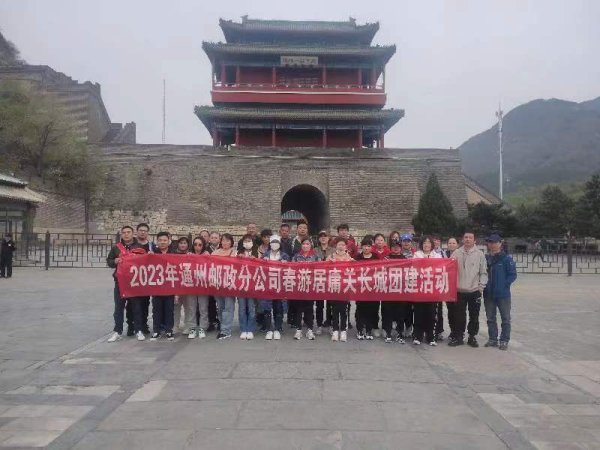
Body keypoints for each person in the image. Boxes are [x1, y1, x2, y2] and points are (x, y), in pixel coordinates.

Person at [106, 226, 147, 342]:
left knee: (136, 307)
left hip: (134, 282)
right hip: (120, 282)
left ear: (133, 233)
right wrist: (114, 261)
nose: (126, 234)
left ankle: (138, 330)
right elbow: (109, 261)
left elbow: (145, 262)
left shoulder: (140, 247)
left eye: (128, 232)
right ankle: (117, 331)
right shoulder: (116, 248)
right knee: (119, 308)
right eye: (123, 232)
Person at [448, 231, 488, 348]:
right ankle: (459, 337)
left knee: (474, 316)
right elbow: (449, 270)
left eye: (470, 237)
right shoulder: (456, 253)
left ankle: (472, 337)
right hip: (459, 291)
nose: (468, 239)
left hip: (474, 291)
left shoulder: (480, 254)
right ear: (462, 239)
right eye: (466, 237)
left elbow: (483, 272)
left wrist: (481, 287)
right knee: (459, 316)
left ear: (474, 240)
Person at [483, 234, 517, 351]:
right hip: (488, 294)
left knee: (505, 318)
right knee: (490, 318)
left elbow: (512, 275)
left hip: (503, 295)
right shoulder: (486, 258)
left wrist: (504, 285)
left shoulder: (506, 259)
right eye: (490, 242)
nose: (492, 244)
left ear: (500, 243)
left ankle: (504, 340)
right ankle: (493, 339)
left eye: (494, 242)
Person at [413, 236, 442, 346]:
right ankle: (418, 336)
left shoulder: (437, 256)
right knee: (419, 313)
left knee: (431, 314)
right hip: (420, 288)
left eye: (429, 242)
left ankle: (431, 337)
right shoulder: (417, 254)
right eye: (424, 242)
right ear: (421, 244)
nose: (426, 244)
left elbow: (440, 269)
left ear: (432, 245)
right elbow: (415, 268)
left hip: (433, 289)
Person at [262, 235, 290, 340]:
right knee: (267, 307)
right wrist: (263, 261)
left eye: (276, 242)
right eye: (273, 242)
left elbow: (290, 270)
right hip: (267, 285)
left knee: (278, 307)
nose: (274, 244)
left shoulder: (285, 256)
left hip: (279, 285)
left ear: (280, 244)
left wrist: (286, 264)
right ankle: (269, 329)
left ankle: (278, 328)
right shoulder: (265, 255)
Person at [211, 233, 238, 340]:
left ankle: (226, 330)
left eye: (228, 240)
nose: (225, 242)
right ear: (220, 241)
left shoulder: (235, 253)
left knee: (228, 307)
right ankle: (223, 326)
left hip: (229, 284)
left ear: (231, 242)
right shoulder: (215, 253)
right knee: (220, 307)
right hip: (217, 284)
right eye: (223, 240)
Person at [150, 232, 176, 341]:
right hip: (157, 286)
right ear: (157, 241)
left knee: (169, 309)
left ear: (169, 241)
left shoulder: (174, 253)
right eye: (160, 240)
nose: (162, 242)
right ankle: (156, 330)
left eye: (165, 240)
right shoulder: (152, 253)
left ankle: (169, 330)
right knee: (156, 310)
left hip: (170, 286)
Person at [327, 237, 354, 342]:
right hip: (334, 285)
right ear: (336, 246)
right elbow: (324, 267)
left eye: (343, 244)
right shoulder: (331, 256)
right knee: (334, 309)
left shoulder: (349, 257)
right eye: (339, 244)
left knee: (343, 310)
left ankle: (343, 330)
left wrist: (353, 262)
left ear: (346, 246)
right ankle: (335, 330)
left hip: (345, 286)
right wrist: (329, 262)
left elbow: (356, 268)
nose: (341, 246)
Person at [291, 237, 318, 340]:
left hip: (310, 286)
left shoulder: (315, 256)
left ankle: (310, 329)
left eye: (307, 244)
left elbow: (320, 269)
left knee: (309, 309)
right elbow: (291, 269)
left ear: (311, 245)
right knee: (299, 308)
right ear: (301, 245)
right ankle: (298, 329)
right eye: (304, 244)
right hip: (299, 285)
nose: (305, 246)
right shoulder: (296, 256)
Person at [184, 236, 210, 340]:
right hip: (191, 285)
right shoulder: (189, 255)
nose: (197, 246)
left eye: (200, 244)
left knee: (203, 308)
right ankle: (192, 328)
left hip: (203, 285)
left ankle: (202, 327)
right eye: (195, 244)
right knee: (191, 307)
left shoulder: (207, 255)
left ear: (203, 246)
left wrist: (207, 258)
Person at [383, 240, 409, 343]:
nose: (396, 248)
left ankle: (399, 333)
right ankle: (388, 332)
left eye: (398, 246)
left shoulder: (405, 259)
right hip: (388, 289)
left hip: (400, 290)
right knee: (387, 312)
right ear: (390, 248)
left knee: (400, 313)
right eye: (393, 246)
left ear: (401, 248)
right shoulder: (386, 258)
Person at [354, 237, 379, 340]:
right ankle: (360, 329)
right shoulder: (358, 257)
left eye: (369, 246)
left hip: (372, 288)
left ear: (371, 247)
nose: (366, 248)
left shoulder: (376, 257)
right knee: (360, 309)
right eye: (364, 246)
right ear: (362, 247)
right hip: (360, 287)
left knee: (371, 309)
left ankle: (369, 330)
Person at [237, 234, 259, 340]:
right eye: (245, 241)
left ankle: (250, 329)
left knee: (251, 308)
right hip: (241, 285)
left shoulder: (257, 253)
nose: (247, 243)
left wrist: (256, 259)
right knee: (241, 308)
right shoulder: (238, 254)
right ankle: (243, 329)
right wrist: (238, 258)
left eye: (249, 241)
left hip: (252, 285)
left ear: (253, 243)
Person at [133, 223, 153, 334]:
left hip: (147, 279)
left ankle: (144, 325)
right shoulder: (132, 245)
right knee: (133, 304)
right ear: (137, 231)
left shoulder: (151, 246)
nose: (143, 232)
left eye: (145, 230)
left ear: (148, 232)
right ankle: (133, 326)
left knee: (145, 303)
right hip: (134, 279)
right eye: (141, 230)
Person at [314, 230, 334, 334]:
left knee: (330, 304)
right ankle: (319, 325)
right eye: (321, 236)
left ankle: (330, 324)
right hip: (319, 279)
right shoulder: (314, 250)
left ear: (328, 238)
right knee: (319, 305)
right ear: (318, 238)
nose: (323, 238)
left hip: (330, 279)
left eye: (325, 236)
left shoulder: (333, 250)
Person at [399, 233, 415, 337]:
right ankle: (400, 328)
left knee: (409, 308)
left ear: (411, 243)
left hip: (411, 284)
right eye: (404, 241)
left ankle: (409, 327)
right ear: (401, 242)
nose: (406, 243)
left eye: (408, 241)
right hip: (399, 283)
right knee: (400, 307)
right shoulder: (397, 253)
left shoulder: (415, 254)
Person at [173, 236, 190, 333]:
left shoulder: (190, 255)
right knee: (176, 307)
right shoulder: (172, 254)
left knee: (188, 307)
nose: (183, 245)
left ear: (187, 245)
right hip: (176, 284)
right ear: (178, 244)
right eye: (181, 243)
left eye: (185, 243)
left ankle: (187, 326)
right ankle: (175, 325)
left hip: (187, 284)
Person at [205, 231, 221, 332]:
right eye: (212, 237)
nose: (214, 239)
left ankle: (220, 321)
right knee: (210, 302)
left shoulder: (223, 249)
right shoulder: (205, 249)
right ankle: (211, 321)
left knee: (220, 302)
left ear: (219, 239)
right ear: (209, 239)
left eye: (216, 237)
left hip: (220, 278)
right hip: (209, 278)